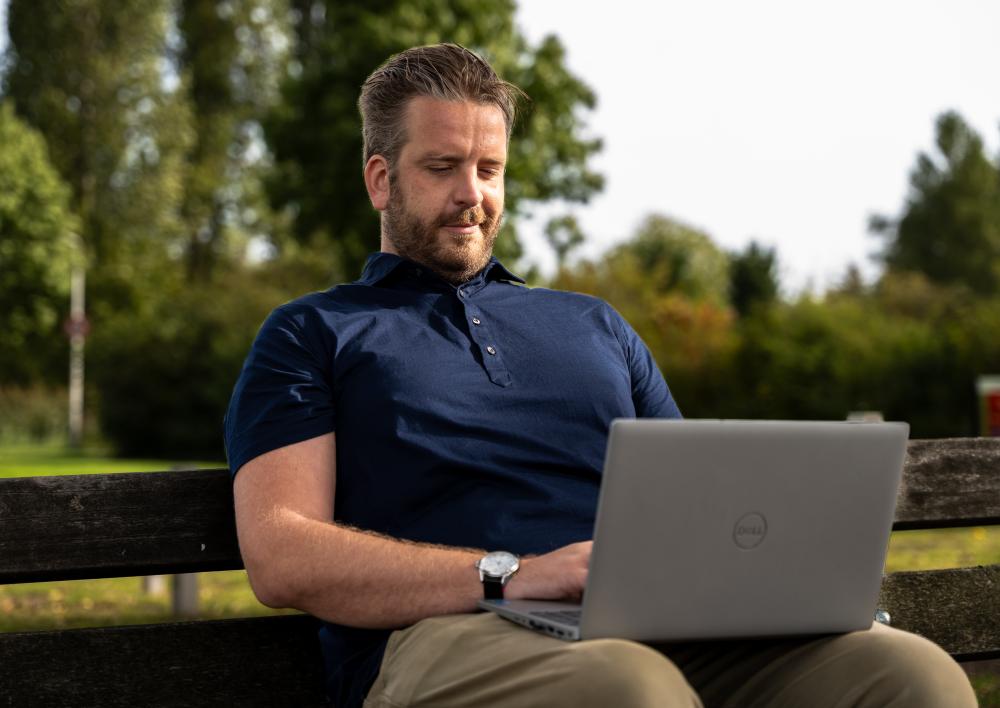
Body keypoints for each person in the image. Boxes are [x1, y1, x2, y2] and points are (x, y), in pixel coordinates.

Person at [224, 43, 976, 708]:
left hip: (649, 630)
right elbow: (281, 555)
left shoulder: (594, 325)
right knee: (626, 688)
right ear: (381, 180)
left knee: (910, 674)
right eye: (443, 167)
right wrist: (511, 574)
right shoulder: (313, 332)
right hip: (441, 637)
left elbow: (700, 507)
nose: (473, 195)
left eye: (490, 169)